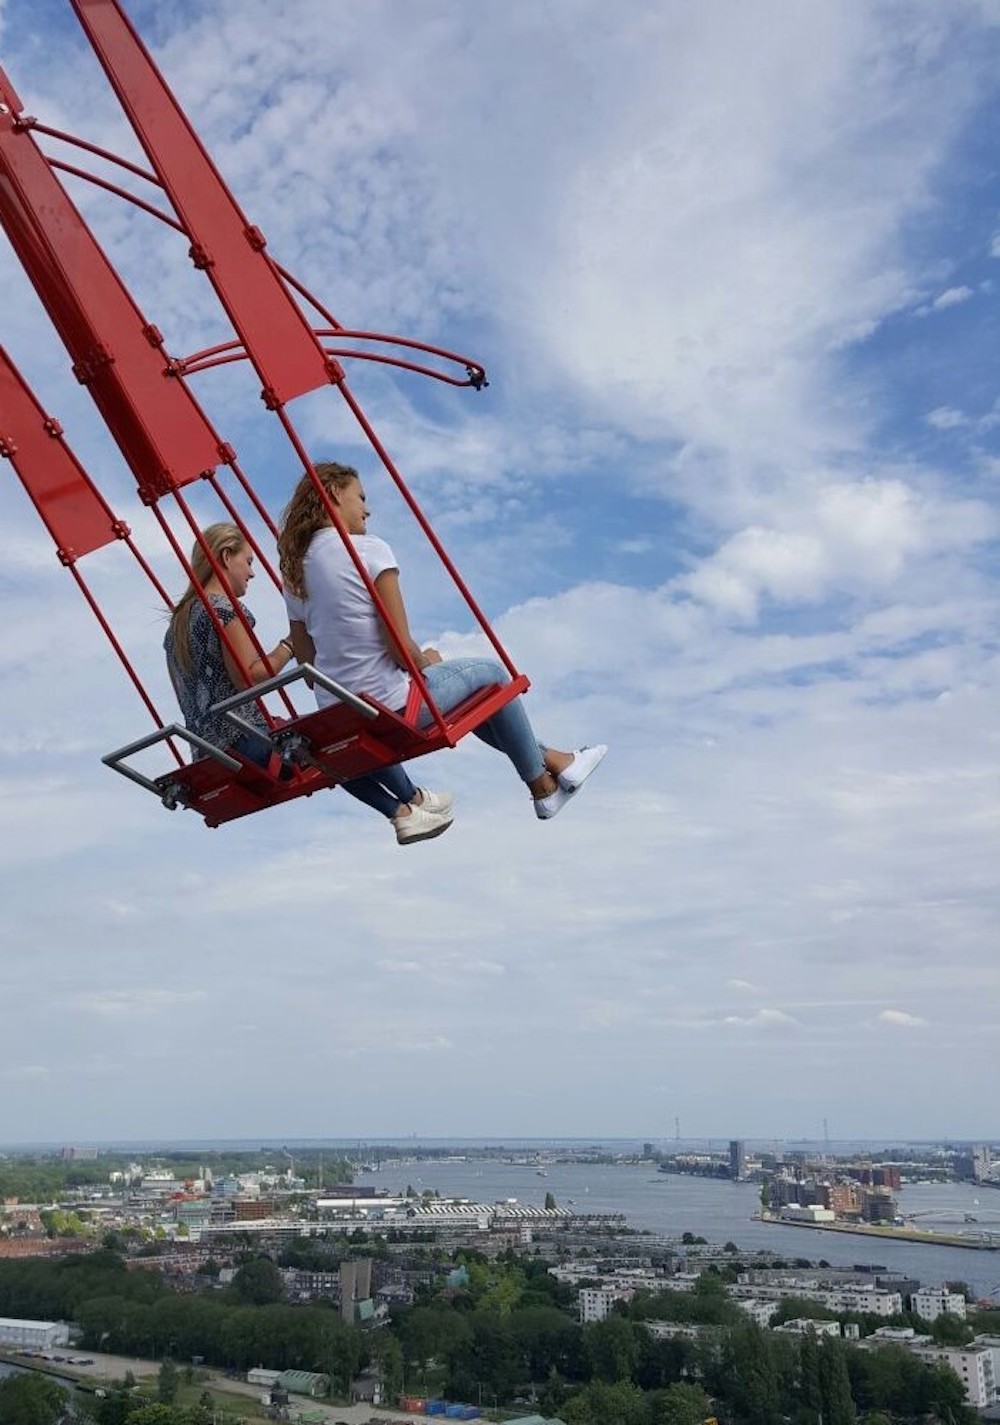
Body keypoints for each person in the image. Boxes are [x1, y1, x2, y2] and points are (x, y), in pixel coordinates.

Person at [277, 463, 607, 819]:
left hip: (347, 718)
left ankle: (554, 765)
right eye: (361, 497)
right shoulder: (370, 551)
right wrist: (426, 662)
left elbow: (309, 672)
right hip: (395, 710)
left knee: (474, 696)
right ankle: (542, 784)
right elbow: (399, 647)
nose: (367, 509)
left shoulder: (295, 574)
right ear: (333, 493)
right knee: (493, 674)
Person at [164, 522, 454, 844]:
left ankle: (404, 811)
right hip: (244, 745)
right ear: (226, 555)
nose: (252, 574)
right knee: (334, 737)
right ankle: (410, 801)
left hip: (207, 757)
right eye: (248, 562)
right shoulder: (223, 609)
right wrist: (290, 645)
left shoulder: (176, 627)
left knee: (325, 742)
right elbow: (251, 675)